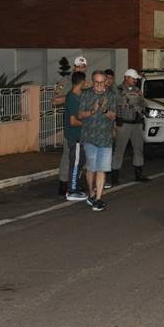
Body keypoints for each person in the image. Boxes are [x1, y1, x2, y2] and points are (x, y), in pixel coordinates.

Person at [78, 70, 118, 211]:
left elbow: (114, 116)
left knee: (102, 169)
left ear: (106, 81)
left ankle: (99, 198)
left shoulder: (111, 95)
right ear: (93, 81)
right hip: (89, 137)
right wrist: (93, 111)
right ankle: (91, 192)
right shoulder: (86, 94)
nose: (100, 85)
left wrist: (105, 110)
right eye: (97, 82)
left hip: (105, 138)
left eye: (102, 82)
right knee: (91, 168)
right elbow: (80, 115)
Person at [52, 56, 88, 196]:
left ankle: (75, 182)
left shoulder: (87, 82)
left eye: (83, 66)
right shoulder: (66, 81)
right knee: (68, 155)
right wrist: (72, 94)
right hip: (71, 123)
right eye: (78, 66)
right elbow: (54, 101)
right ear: (74, 67)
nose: (80, 68)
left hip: (84, 124)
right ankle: (63, 183)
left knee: (81, 157)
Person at [111, 68, 149, 185]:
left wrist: (141, 98)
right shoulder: (118, 90)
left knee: (138, 149)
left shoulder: (138, 90)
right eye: (133, 78)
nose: (135, 81)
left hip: (137, 123)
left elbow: (144, 105)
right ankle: (115, 176)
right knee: (119, 150)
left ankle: (138, 174)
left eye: (136, 79)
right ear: (126, 77)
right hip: (124, 123)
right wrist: (115, 124)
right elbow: (114, 106)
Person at [63, 71, 89, 201]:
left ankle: (76, 187)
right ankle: (72, 190)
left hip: (81, 136)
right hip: (75, 137)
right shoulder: (72, 97)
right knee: (75, 163)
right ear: (81, 82)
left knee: (80, 163)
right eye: (85, 81)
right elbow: (73, 121)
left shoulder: (79, 96)